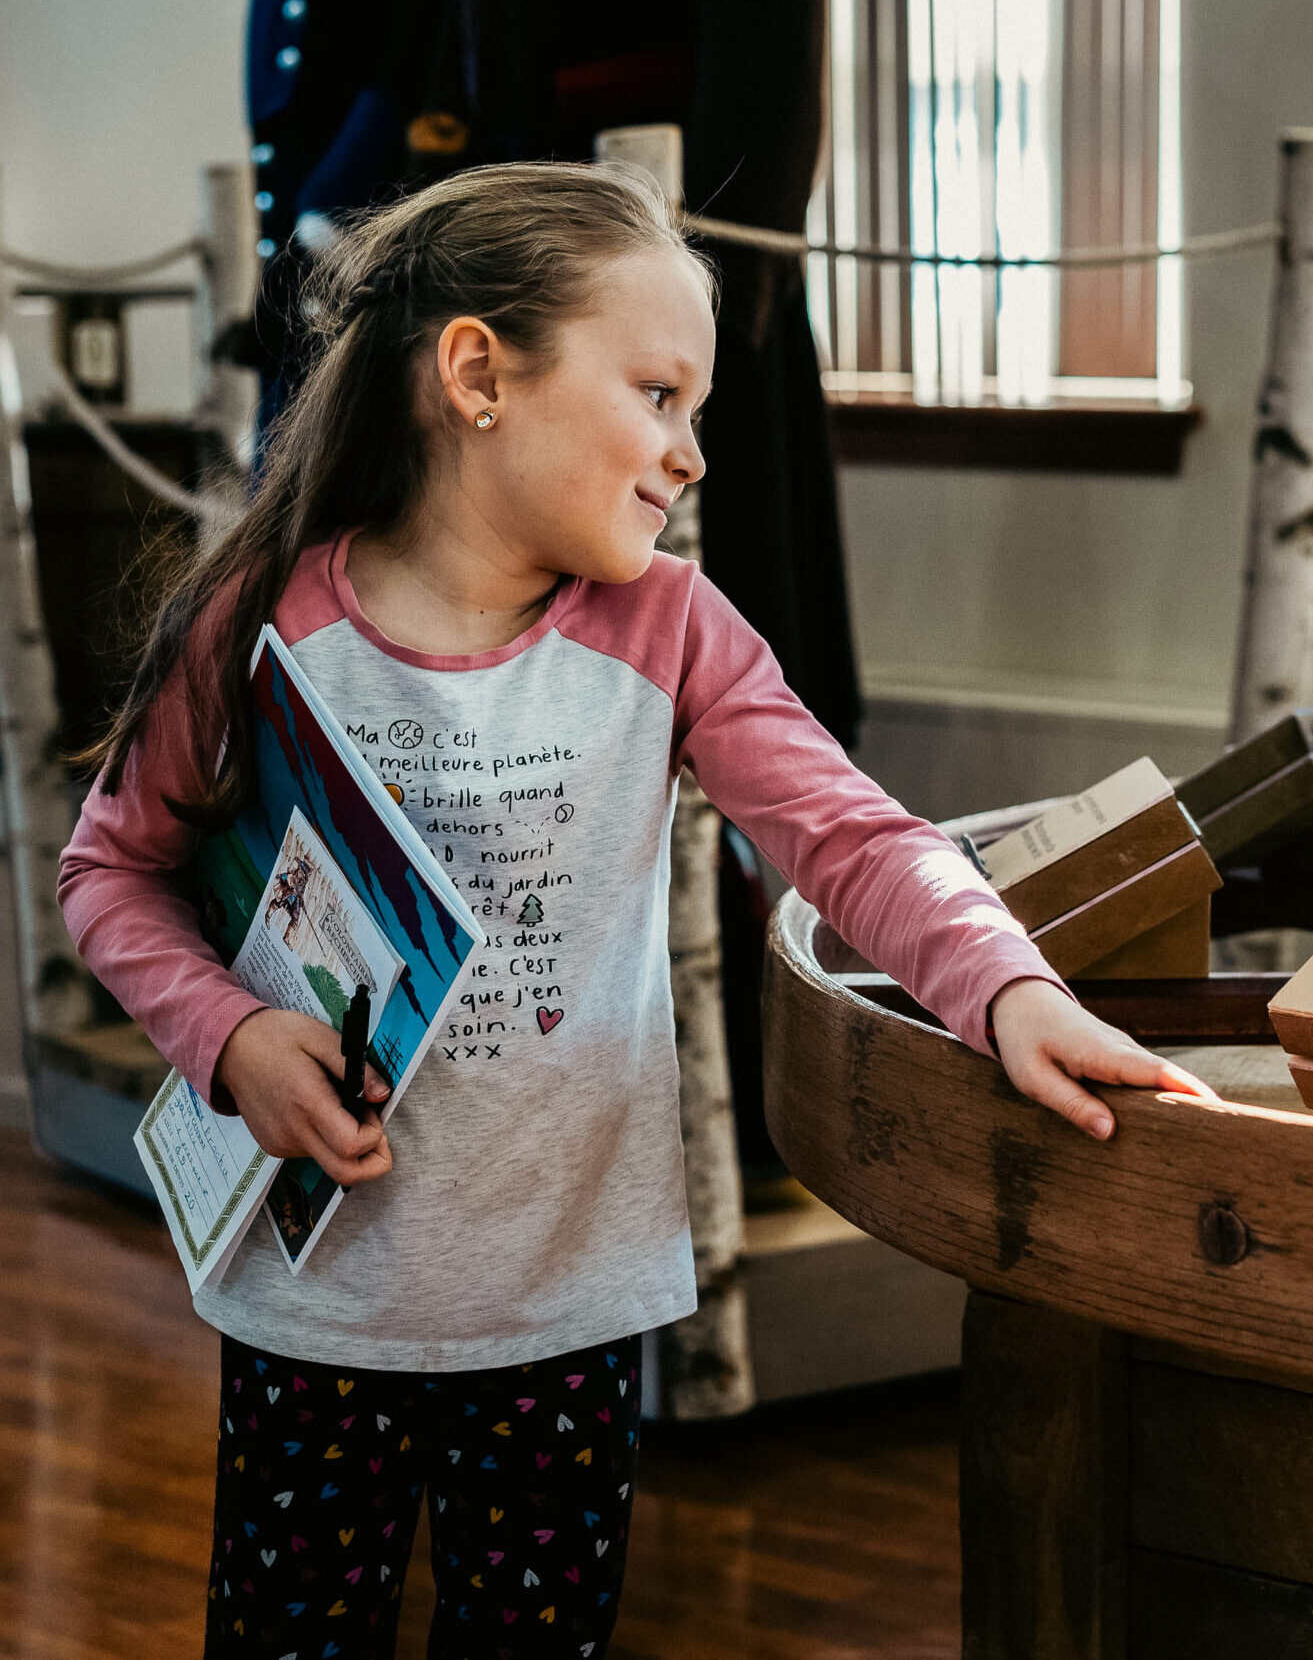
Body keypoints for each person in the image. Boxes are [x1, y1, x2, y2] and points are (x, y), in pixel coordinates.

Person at [57, 159, 1215, 1660]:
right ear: (478, 374)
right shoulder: (260, 619)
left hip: (566, 1316)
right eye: (658, 395)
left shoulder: (675, 628)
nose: (692, 454)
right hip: (317, 1313)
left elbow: (857, 840)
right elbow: (113, 872)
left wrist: (1009, 987)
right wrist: (229, 1037)